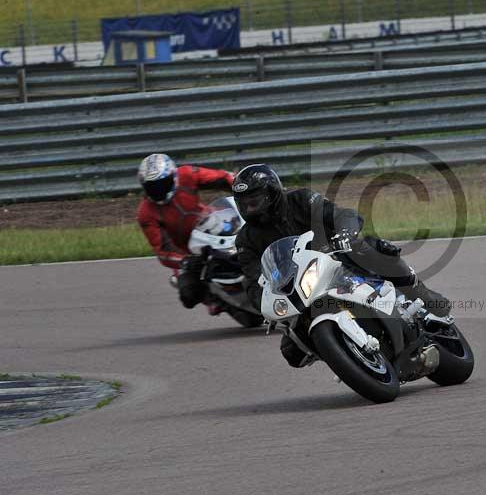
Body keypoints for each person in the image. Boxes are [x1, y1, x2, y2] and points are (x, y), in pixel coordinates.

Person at [232, 163, 451, 367]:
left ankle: (419, 292)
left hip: (337, 258)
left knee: (375, 248)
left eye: (254, 202)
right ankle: (349, 355)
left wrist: (346, 232)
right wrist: (264, 303)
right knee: (292, 351)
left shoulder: (300, 200)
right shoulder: (246, 239)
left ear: (272, 195)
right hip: (301, 290)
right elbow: (253, 279)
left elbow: (341, 214)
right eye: (243, 204)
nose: (249, 210)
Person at [136, 153, 234, 310]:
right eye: (152, 187)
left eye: (162, 183)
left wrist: (244, 187)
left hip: (209, 225)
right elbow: (162, 250)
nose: (158, 190)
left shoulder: (187, 174)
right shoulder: (146, 213)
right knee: (189, 296)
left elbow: (223, 177)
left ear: (173, 176)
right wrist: (184, 261)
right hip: (186, 253)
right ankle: (216, 299)